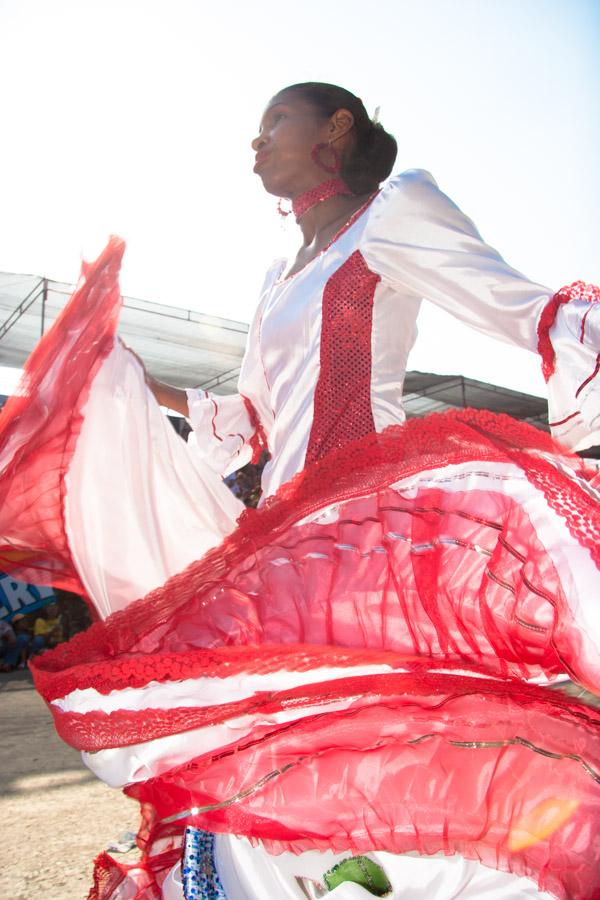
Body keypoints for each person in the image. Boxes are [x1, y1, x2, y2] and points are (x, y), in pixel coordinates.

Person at [0, 82, 599, 899]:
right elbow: (253, 417)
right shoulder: (277, 278)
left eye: (275, 120)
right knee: (280, 739)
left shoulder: (393, 212)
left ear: (338, 127)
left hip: (373, 525)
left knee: (367, 728)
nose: (256, 143)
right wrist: (136, 388)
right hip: (280, 540)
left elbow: (516, 304)